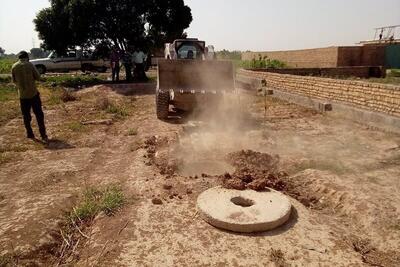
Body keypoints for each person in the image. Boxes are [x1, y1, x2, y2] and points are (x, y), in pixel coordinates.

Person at [12, 51, 48, 141]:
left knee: (26, 115)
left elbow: (14, 80)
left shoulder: (14, 66)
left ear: (19, 58)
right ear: (27, 57)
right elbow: (38, 77)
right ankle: (43, 134)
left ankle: (30, 133)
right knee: (39, 115)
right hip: (33, 94)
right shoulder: (30, 65)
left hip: (22, 96)